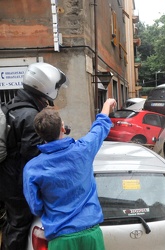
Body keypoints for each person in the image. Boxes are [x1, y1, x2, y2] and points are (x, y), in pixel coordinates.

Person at [23, 98, 117, 250]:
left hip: (61, 239)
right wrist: (106, 105)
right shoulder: (83, 150)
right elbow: (100, 128)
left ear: (39, 133)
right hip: (90, 235)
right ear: (62, 127)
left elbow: (36, 206)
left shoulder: (32, 168)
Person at [0, 62, 68, 250]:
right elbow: (35, 158)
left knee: (13, 223)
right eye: (56, 86)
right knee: (19, 226)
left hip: (8, 178)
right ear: (45, 86)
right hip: (16, 184)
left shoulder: (16, 106)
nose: (57, 90)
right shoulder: (30, 116)